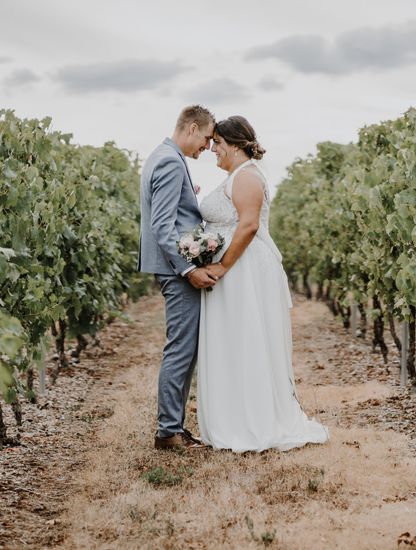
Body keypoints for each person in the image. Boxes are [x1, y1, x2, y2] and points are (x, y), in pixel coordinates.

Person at [195, 115, 329, 452]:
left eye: (219, 145)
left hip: (246, 271)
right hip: (239, 271)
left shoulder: (247, 177)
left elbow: (249, 225)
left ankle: (254, 422)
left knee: (248, 339)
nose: (214, 150)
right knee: (235, 340)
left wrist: (223, 266)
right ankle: (235, 416)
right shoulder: (237, 176)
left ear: (237, 145)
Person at [138, 105, 216, 450]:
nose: (208, 146)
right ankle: (168, 430)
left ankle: (173, 426)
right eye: (207, 138)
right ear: (193, 128)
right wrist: (188, 269)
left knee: (184, 348)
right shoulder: (170, 161)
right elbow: (162, 226)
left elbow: (170, 213)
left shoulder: (163, 155)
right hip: (175, 270)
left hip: (170, 267)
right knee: (181, 349)